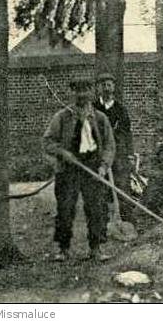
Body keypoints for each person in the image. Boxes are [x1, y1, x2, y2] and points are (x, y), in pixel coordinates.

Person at [42, 77, 116, 261]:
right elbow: (48, 141)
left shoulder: (100, 118)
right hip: (68, 169)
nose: (82, 95)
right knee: (65, 209)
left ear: (92, 92)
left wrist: (103, 166)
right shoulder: (62, 117)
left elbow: (109, 145)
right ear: (71, 93)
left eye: (86, 90)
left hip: (93, 167)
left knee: (96, 209)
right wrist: (62, 153)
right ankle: (63, 249)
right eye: (77, 91)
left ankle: (96, 249)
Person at [95, 73, 135, 224]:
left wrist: (130, 154)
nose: (106, 88)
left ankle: (128, 221)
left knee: (122, 185)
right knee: (100, 188)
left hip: (119, 154)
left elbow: (127, 133)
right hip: (99, 155)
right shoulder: (93, 109)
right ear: (98, 88)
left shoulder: (120, 109)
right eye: (103, 84)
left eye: (109, 85)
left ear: (114, 87)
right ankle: (102, 224)